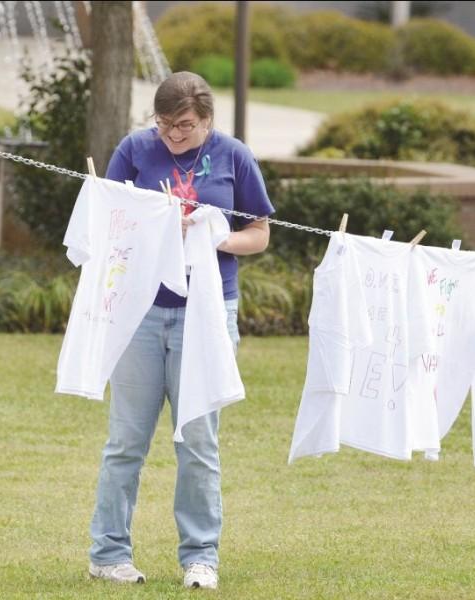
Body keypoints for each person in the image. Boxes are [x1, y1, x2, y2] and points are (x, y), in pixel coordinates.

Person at [86, 72, 275, 590]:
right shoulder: (133, 150)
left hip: (209, 314)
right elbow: (112, 222)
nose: (173, 135)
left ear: (207, 119)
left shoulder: (235, 156)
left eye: (185, 125)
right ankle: (107, 553)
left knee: (197, 441)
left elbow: (259, 234)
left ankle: (200, 557)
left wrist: (217, 236)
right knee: (127, 439)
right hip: (141, 313)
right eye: (165, 124)